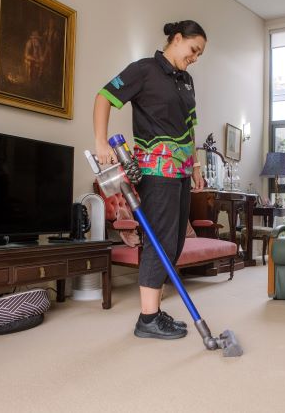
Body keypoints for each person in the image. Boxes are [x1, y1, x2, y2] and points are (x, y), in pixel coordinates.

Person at [93, 20, 207, 340]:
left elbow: (190, 125)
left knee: (175, 243)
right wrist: (101, 143)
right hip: (155, 170)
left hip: (182, 170)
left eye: (199, 54)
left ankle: (154, 312)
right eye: (193, 49)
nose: (195, 57)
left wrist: (196, 165)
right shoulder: (144, 69)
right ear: (177, 38)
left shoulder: (187, 81)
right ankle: (147, 318)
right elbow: (104, 97)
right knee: (160, 240)